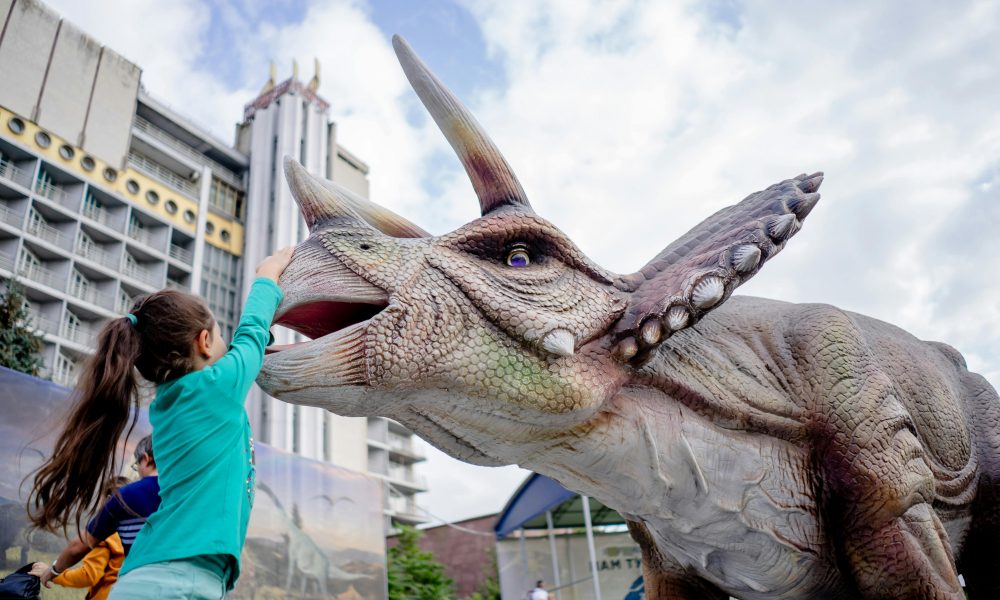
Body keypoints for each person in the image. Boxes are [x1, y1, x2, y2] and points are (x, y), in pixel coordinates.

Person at [27, 247, 293, 599]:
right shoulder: (214, 389)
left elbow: (251, 344)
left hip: (152, 577)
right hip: (179, 581)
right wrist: (268, 273)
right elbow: (251, 334)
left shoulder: (170, 404)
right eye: (218, 335)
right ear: (204, 341)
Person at [35, 433, 160, 588]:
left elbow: (80, 548)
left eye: (137, 466)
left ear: (146, 459)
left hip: (140, 586)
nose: (138, 472)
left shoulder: (125, 496)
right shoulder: (190, 493)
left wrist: (53, 571)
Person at [29, 476, 130, 600]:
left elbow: (89, 575)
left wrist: (54, 574)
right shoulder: (132, 532)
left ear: (108, 500)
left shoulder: (104, 535)